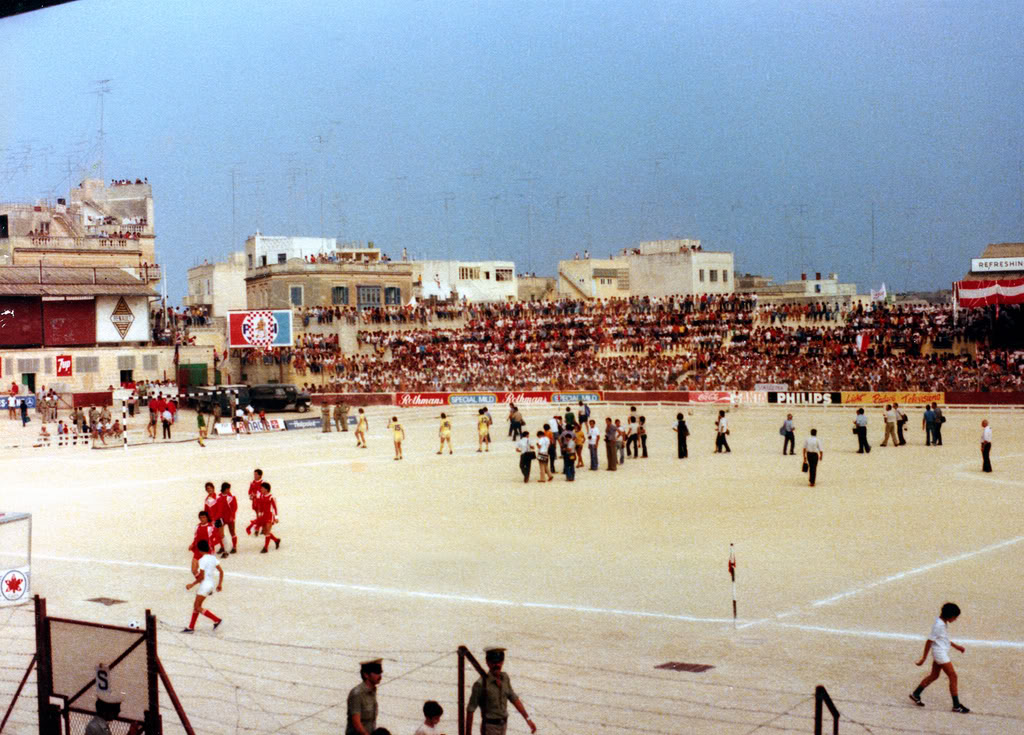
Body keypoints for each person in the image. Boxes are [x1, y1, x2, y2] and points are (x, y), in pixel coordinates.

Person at [909, 602, 969, 713]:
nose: (955, 620)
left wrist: (956, 646)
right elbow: (929, 641)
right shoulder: (939, 625)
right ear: (950, 616)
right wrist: (923, 658)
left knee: (934, 675)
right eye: (955, 617)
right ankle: (956, 706)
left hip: (940, 652)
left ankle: (916, 694)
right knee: (953, 676)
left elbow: (943, 639)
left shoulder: (942, 622)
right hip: (940, 654)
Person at [466, 647, 536, 735]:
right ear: (488, 662)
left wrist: (528, 719)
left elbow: (514, 699)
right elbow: (470, 709)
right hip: (489, 728)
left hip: (504, 726)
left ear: (502, 661)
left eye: (499, 662)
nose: (497, 665)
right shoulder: (480, 684)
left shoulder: (505, 678)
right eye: (493, 662)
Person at [183, 538, 223, 634]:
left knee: (197, 606)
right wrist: (220, 584)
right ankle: (191, 627)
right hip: (211, 584)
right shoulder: (213, 558)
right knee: (197, 605)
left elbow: (201, 577)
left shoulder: (202, 560)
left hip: (205, 585)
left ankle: (216, 620)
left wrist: (192, 584)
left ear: (199, 550)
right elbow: (221, 571)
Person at [346, 659, 382, 735]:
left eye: (380, 672)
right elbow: (356, 722)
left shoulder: (372, 691)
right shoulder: (357, 694)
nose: (380, 676)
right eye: (376, 672)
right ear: (366, 675)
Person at [256, 482, 280, 553]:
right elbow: (260, 506)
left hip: (270, 515)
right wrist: (260, 513)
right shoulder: (262, 496)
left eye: (262, 488)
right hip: (264, 515)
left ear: (266, 489)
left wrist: (276, 517)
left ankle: (265, 548)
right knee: (265, 531)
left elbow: (275, 508)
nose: (261, 489)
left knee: (267, 532)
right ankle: (276, 540)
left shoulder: (271, 497)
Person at [218, 482, 238, 554]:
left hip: (229, 518)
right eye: (227, 489)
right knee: (220, 534)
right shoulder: (218, 497)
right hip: (221, 518)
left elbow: (234, 507)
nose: (229, 490)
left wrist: (232, 516)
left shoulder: (231, 497)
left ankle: (234, 547)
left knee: (232, 532)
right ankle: (222, 547)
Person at [246, 469, 265, 535]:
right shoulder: (252, 482)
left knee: (261, 515)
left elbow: (263, 492)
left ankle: (259, 528)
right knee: (257, 515)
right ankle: (260, 527)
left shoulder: (263, 483)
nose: (254, 476)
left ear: (260, 475)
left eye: (256, 474)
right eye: (254, 474)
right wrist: (251, 495)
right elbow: (249, 491)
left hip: (261, 501)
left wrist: (256, 494)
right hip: (255, 501)